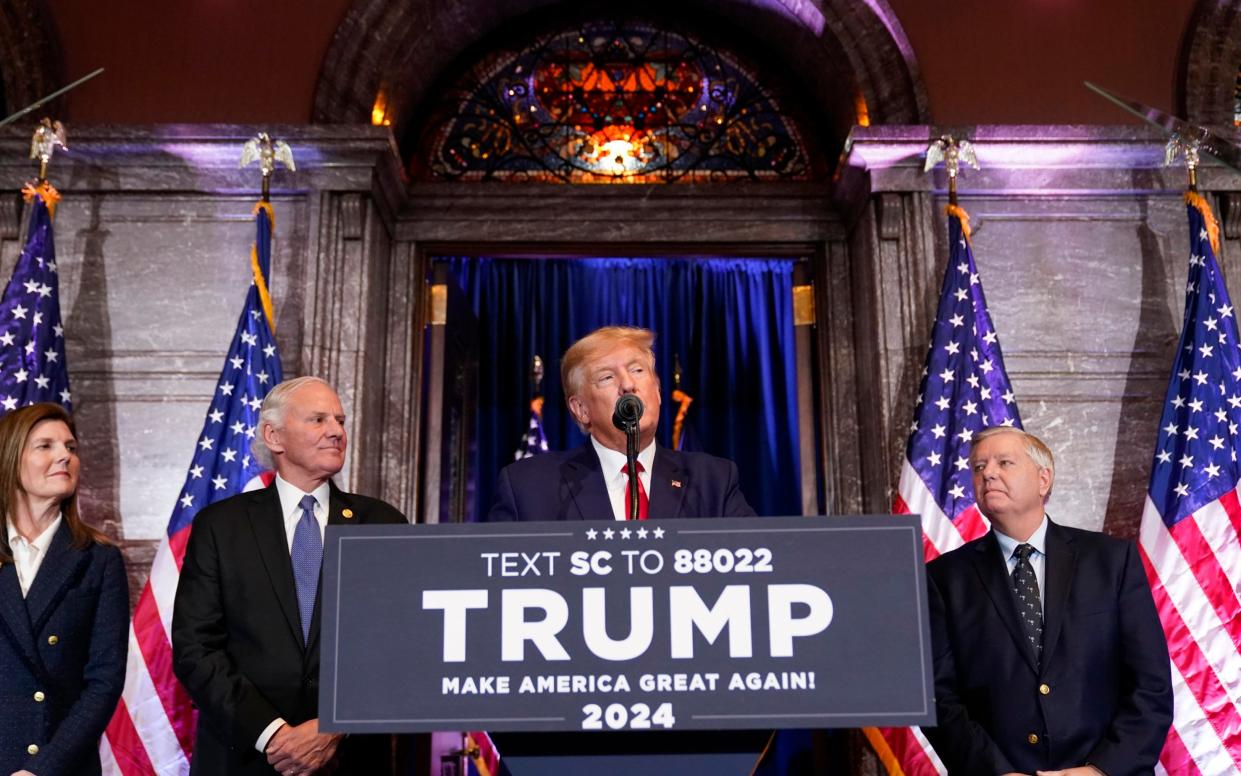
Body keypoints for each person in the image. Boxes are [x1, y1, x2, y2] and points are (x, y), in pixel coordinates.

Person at [172, 377, 406, 776]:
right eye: (318, 419)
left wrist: (333, 726)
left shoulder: (382, 523)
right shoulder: (221, 526)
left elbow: (399, 645)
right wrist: (273, 734)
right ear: (273, 436)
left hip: (349, 759)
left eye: (340, 420)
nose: (336, 431)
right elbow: (197, 649)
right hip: (244, 757)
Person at [923, 426, 1172, 776]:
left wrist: (1101, 770)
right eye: (979, 467)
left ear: (1044, 480)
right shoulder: (943, 578)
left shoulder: (1112, 561)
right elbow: (938, 699)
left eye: (1003, 462)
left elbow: (1151, 684)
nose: (988, 473)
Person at [487, 325, 754, 522]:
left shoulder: (713, 481)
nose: (628, 384)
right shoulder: (528, 487)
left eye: (637, 370)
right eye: (606, 377)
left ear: (658, 391)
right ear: (581, 410)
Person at [0, 403, 128, 776]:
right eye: (46, 446)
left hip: (58, 764)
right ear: (10, 459)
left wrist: (42, 769)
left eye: (70, 447)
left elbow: (103, 683)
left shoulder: (98, 559)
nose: (64, 457)